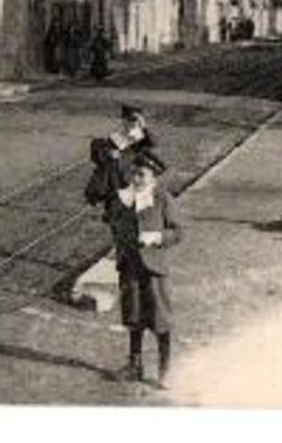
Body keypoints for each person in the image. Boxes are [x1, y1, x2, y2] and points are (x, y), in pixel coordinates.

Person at [106, 149, 180, 387]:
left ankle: (165, 368)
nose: (135, 179)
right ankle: (134, 365)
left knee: (160, 319)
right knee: (133, 316)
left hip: (154, 269)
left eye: (141, 175)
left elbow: (178, 232)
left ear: (154, 178)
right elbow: (113, 223)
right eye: (133, 174)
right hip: (130, 265)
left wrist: (157, 237)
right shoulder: (126, 198)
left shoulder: (162, 199)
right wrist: (118, 206)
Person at [85, 104, 154, 206]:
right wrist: (109, 153)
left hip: (133, 172)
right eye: (128, 120)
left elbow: (150, 144)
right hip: (119, 174)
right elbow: (100, 153)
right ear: (123, 121)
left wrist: (143, 126)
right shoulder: (115, 137)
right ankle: (110, 194)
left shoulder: (140, 137)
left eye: (134, 121)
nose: (131, 124)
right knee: (109, 163)